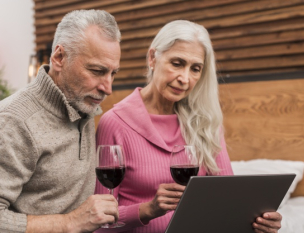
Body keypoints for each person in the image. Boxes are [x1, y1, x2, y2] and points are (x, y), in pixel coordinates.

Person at [95, 20, 282, 233]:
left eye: (195, 69)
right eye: (177, 63)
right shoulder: (115, 122)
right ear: (152, 58)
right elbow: (100, 222)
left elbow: (229, 203)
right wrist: (147, 210)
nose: (185, 79)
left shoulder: (205, 122)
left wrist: (259, 222)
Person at [0, 9, 121, 233]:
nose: (108, 88)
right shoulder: (13, 122)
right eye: (96, 71)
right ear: (59, 58)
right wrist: (69, 223)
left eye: (113, 73)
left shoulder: (82, 102)